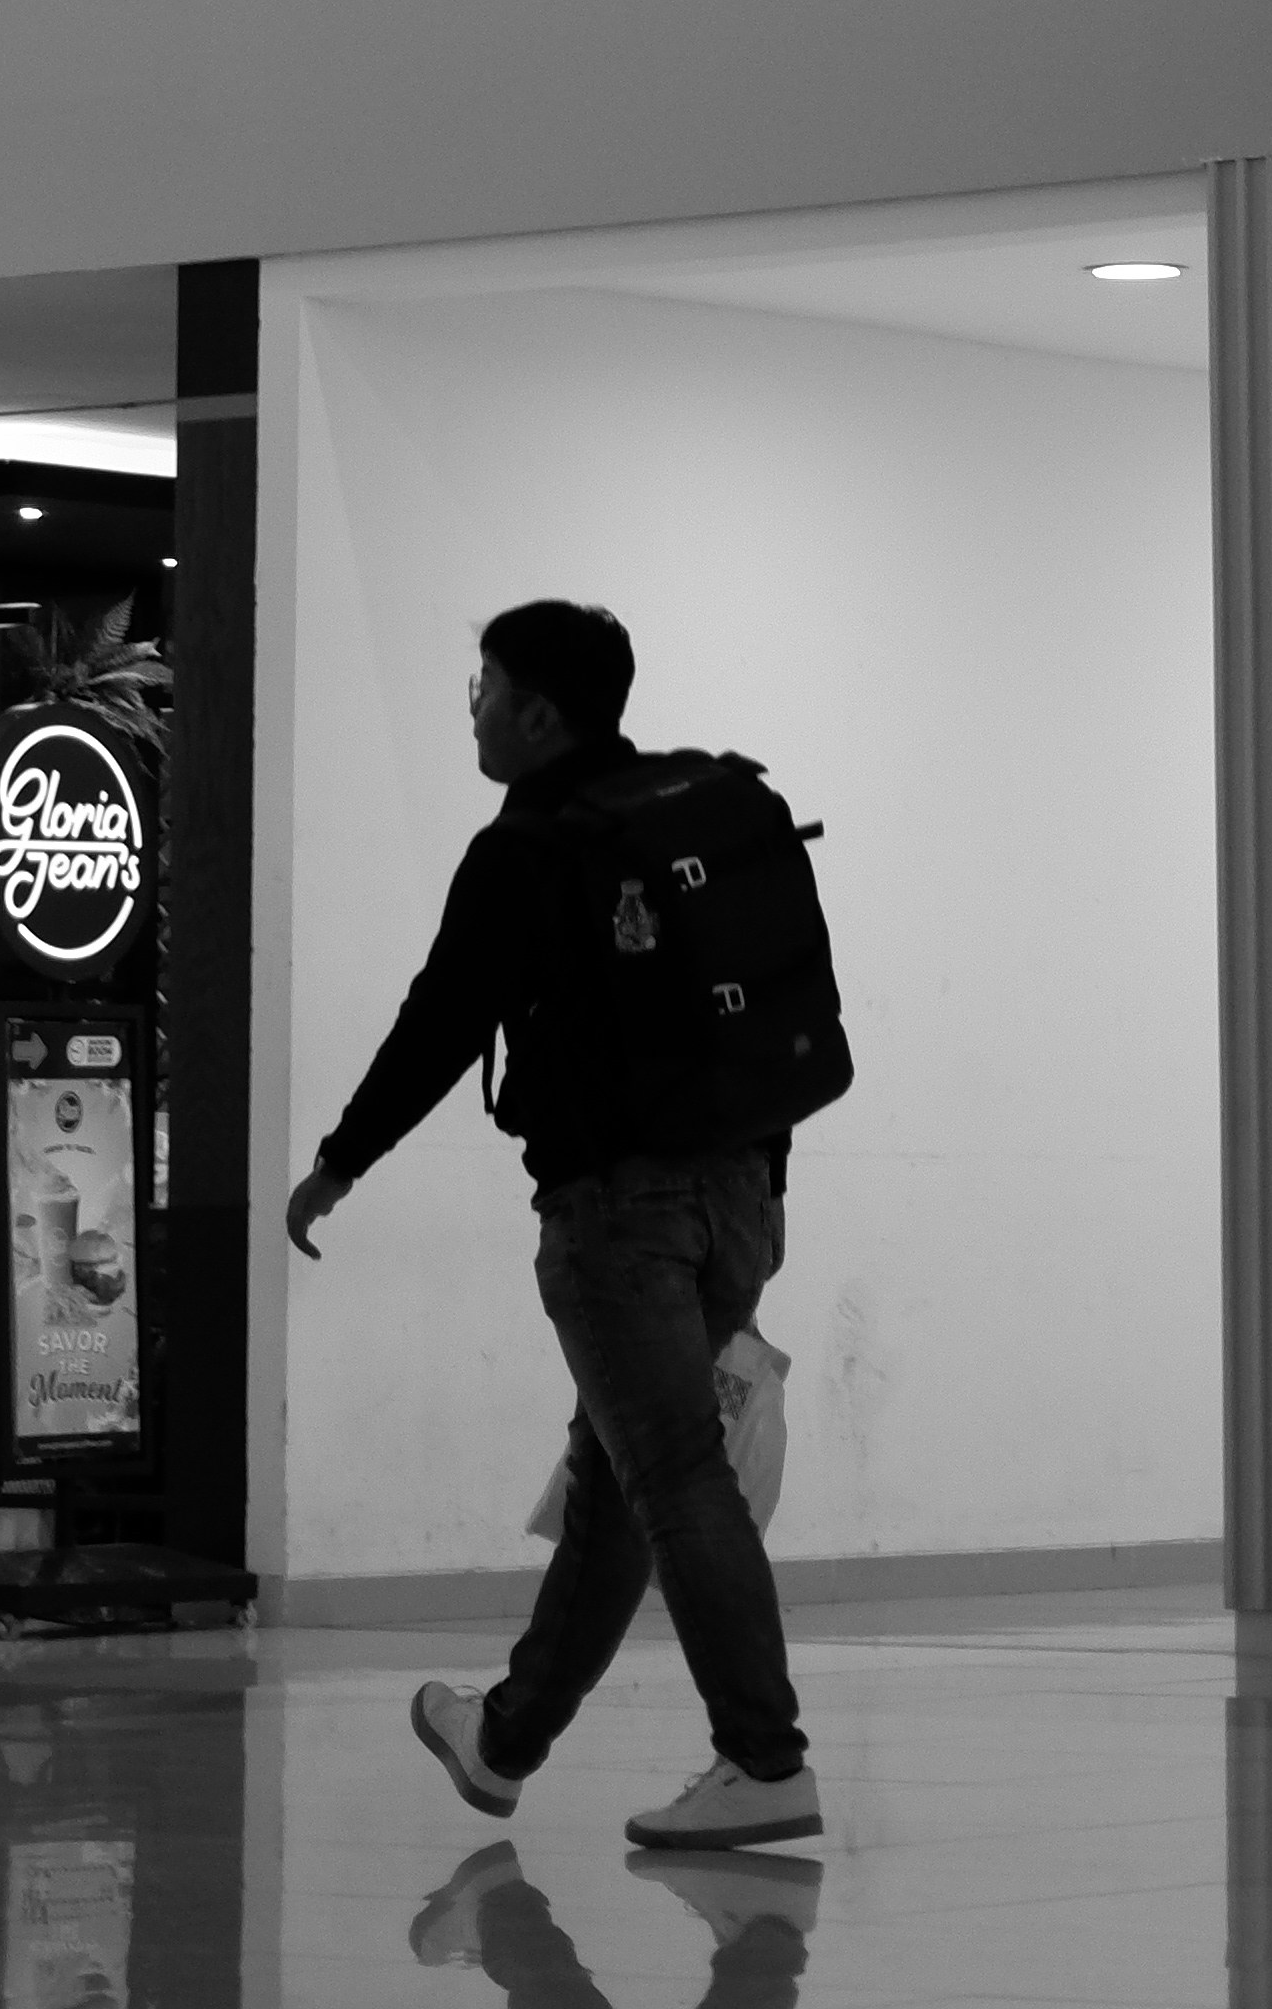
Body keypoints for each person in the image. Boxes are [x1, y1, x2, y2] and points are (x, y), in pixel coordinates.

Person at [287, 599, 820, 1858]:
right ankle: (504, 1740)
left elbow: (441, 1020)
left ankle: (765, 1758)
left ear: (537, 710)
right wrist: (759, 1183)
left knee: (672, 1478)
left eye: (481, 685)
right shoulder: (687, 813)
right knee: (616, 1487)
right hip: (740, 1189)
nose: (468, 706)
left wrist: (338, 1163)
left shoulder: (529, 845)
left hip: (617, 1218)